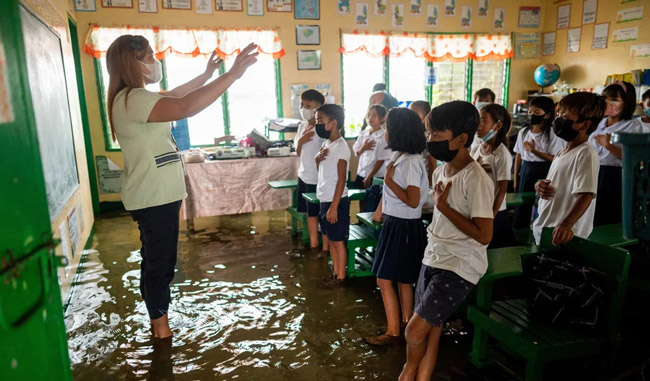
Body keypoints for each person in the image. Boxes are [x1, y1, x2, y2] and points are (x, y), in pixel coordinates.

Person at [106, 36, 258, 338]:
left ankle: (155, 319)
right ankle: (162, 332)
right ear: (132, 62)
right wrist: (233, 75)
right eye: (149, 56)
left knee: (155, 258)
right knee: (161, 262)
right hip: (154, 195)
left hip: (153, 193)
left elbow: (176, 94)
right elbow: (186, 106)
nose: (154, 61)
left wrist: (207, 75)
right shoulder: (134, 99)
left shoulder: (134, 97)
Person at [400, 101, 494, 380]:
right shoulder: (441, 170)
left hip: (459, 265)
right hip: (435, 256)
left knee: (413, 330)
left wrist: (444, 208)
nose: (430, 141)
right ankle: (422, 376)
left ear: (462, 139)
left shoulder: (476, 178)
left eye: (437, 135)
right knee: (431, 328)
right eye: (429, 134)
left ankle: (409, 370)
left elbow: (484, 235)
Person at [365, 108, 428, 347]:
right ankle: (405, 323)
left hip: (404, 225)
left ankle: (393, 333)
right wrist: (380, 213)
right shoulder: (400, 157)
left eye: (389, 127)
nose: (386, 132)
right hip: (396, 223)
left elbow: (413, 200)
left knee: (384, 279)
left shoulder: (410, 162)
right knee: (402, 280)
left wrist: (389, 180)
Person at [533, 92, 605, 245]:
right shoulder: (561, 153)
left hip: (565, 236)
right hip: (548, 229)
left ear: (585, 124)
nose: (558, 120)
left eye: (564, 117)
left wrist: (566, 225)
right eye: (558, 114)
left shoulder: (586, 154)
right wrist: (539, 186)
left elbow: (586, 194)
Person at [589, 81, 645, 226]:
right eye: (604, 98)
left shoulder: (633, 126)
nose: (607, 103)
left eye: (614, 99)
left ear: (626, 103)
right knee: (591, 216)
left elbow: (636, 161)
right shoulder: (598, 123)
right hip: (593, 172)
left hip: (616, 177)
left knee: (610, 217)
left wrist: (609, 145)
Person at [512, 96, 565, 228]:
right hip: (526, 169)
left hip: (545, 170)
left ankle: (537, 229)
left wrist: (534, 151)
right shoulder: (524, 132)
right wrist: (515, 178)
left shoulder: (552, 133)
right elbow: (519, 155)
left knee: (540, 203)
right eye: (530, 112)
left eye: (536, 113)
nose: (531, 115)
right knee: (522, 203)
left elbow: (555, 158)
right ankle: (519, 229)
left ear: (547, 115)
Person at [315, 104, 351, 287]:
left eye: (321, 121)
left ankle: (341, 277)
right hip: (325, 199)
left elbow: (342, 179)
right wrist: (317, 160)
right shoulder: (326, 144)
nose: (318, 125)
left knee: (338, 242)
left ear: (334, 122)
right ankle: (335, 273)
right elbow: (322, 172)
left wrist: (334, 206)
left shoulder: (341, 147)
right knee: (330, 240)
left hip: (335, 202)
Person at [471, 104, 515, 248]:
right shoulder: (477, 149)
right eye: (478, 120)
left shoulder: (502, 154)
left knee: (494, 252)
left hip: (494, 212)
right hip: (479, 208)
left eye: (484, 121)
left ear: (497, 125)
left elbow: (502, 189)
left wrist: (491, 216)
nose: (478, 125)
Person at [294, 89, 326, 250]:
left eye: (308, 105)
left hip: (316, 176)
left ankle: (322, 244)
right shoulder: (302, 126)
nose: (304, 108)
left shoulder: (322, 129)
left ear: (318, 108)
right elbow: (298, 152)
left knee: (317, 212)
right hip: (304, 174)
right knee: (308, 212)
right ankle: (313, 242)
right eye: (302, 105)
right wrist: (301, 140)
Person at [353, 105, 390, 212]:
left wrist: (370, 176)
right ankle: (361, 221)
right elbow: (357, 152)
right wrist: (363, 147)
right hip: (361, 172)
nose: (370, 118)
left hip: (376, 175)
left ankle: (369, 224)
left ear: (383, 118)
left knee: (373, 201)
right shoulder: (364, 133)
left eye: (374, 115)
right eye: (368, 115)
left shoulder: (384, 135)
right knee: (362, 199)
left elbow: (381, 159)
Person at [409, 100, 437, 184]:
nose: (411, 116)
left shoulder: (428, 137)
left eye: (415, 113)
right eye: (410, 112)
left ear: (426, 116)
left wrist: (430, 185)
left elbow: (432, 162)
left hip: (422, 179)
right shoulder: (409, 135)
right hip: (411, 178)